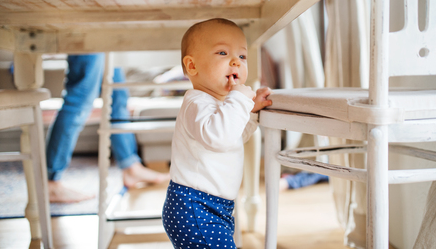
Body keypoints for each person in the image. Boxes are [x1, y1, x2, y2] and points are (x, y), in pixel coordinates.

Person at [162, 18, 272, 248]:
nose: (236, 61)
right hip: (194, 206)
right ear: (192, 66)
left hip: (213, 206)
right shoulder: (196, 103)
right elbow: (220, 136)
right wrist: (240, 100)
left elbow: (233, 139)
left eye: (242, 56)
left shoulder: (223, 108)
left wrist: (250, 113)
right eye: (222, 53)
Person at [46, 53, 169, 203]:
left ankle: (131, 167)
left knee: (118, 95)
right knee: (80, 98)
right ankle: (50, 181)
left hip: (105, 38)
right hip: (88, 33)